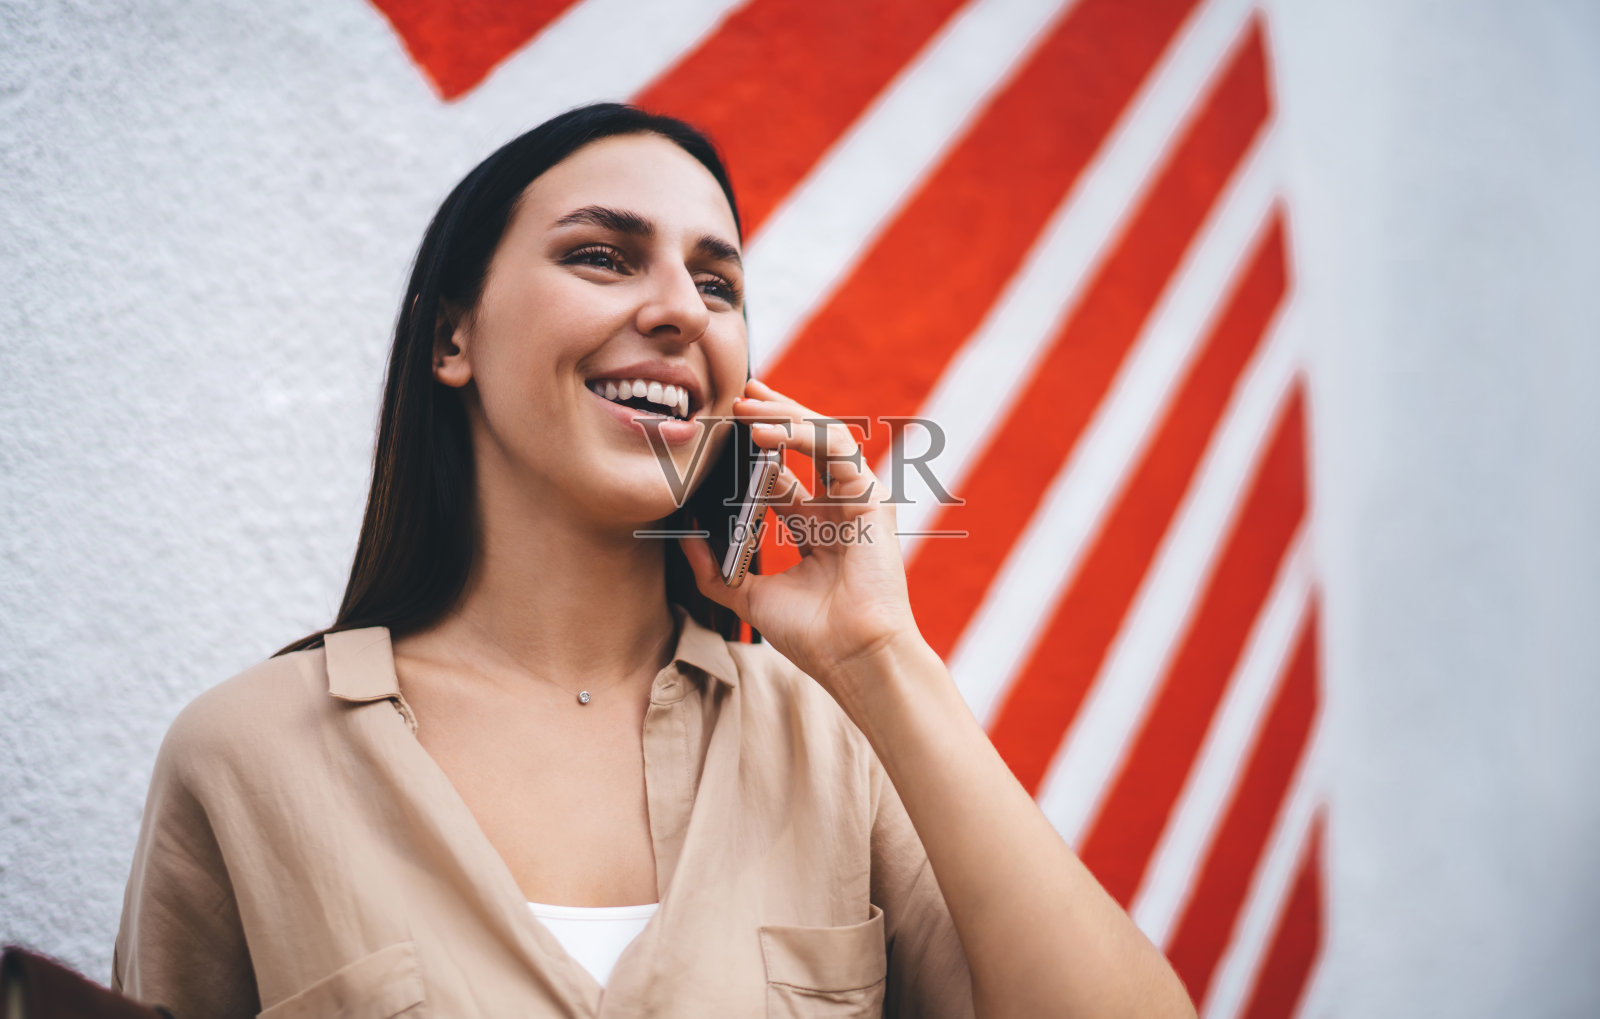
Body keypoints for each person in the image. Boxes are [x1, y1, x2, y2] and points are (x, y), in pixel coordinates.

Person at [111, 103, 1197, 1017]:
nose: (681, 308)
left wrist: (879, 654)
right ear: (454, 338)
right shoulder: (247, 755)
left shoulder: (837, 745)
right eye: (600, 254)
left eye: (718, 284)